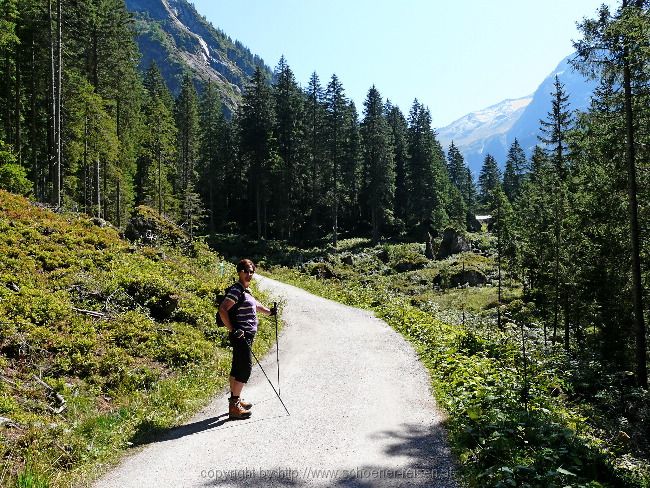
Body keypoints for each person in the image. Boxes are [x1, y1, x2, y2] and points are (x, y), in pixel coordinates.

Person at [219, 258, 276, 420]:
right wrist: (233, 329)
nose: (249, 274)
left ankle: (235, 400)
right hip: (241, 335)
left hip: (245, 335)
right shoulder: (236, 290)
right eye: (246, 271)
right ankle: (234, 406)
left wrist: (270, 312)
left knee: (237, 367)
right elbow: (223, 309)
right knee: (245, 369)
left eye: (251, 272)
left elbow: (255, 305)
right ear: (239, 272)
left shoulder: (246, 291)